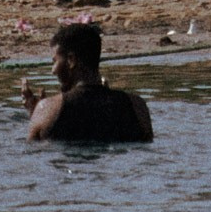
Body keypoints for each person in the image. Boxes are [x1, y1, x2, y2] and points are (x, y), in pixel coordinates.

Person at [21, 22, 153, 144]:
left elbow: (34, 154)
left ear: (71, 60)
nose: (53, 71)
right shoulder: (137, 107)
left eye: (55, 61)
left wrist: (36, 115)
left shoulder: (48, 109)